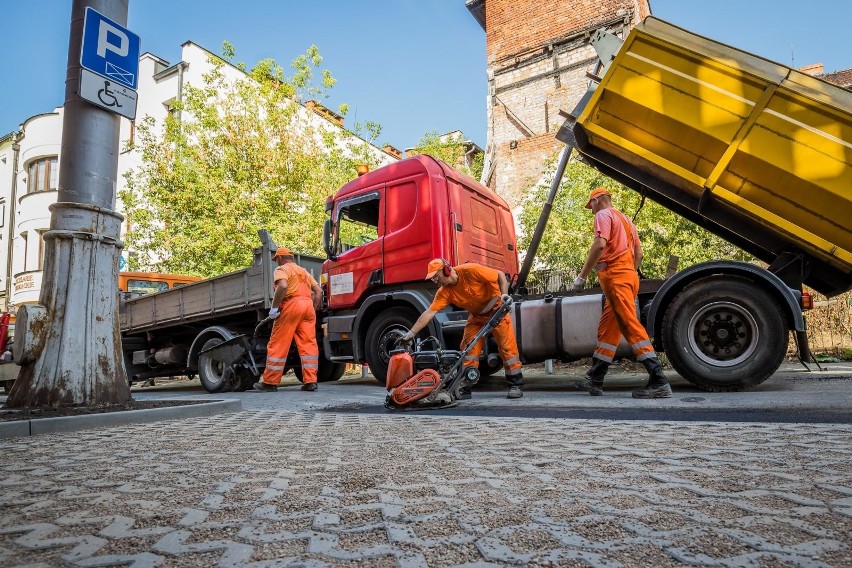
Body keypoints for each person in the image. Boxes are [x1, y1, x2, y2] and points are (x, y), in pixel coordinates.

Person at [572, 187, 672, 398]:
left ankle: (659, 380)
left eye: (591, 206)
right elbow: (639, 253)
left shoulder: (603, 215)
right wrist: (629, 273)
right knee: (608, 329)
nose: (591, 211)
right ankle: (595, 379)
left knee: (629, 325)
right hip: (628, 277)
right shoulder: (626, 219)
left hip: (616, 278)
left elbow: (600, 245)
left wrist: (582, 276)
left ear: (598, 200)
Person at [401, 259, 524, 399]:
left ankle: (515, 384)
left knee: (507, 348)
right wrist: (411, 333)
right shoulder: (444, 292)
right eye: (432, 278)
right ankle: (465, 386)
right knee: (468, 350)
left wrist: (504, 294)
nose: (435, 280)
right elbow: (429, 313)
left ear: (446, 270)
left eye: (436, 276)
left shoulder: (470, 270)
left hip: (497, 310)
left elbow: (500, 275)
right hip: (476, 317)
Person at [253, 246, 323, 393]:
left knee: (278, 343)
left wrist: (274, 308)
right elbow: (319, 291)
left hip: (291, 305)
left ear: (279, 258)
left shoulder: (282, 269)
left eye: (276, 260)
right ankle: (310, 381)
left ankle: (270, 382)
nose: (276, 263)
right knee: (308, 345)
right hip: (308, 306)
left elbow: (283, 286)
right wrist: (312, 309)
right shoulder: (303, 271)